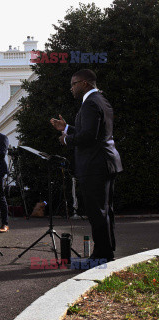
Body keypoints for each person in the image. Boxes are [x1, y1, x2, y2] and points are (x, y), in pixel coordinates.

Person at [50, 69, 122, 262]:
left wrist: (66, 140)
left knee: (97, 211)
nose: (71, 89)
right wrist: (66, 128)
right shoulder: (100, 100)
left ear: (85, 83)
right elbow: (92, 131)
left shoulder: (90, 103)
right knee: (105, 210)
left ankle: (102, 254)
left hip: (95, 165)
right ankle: (107, 249)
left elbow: (88, 136)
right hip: (106, 162)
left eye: (74, 84)